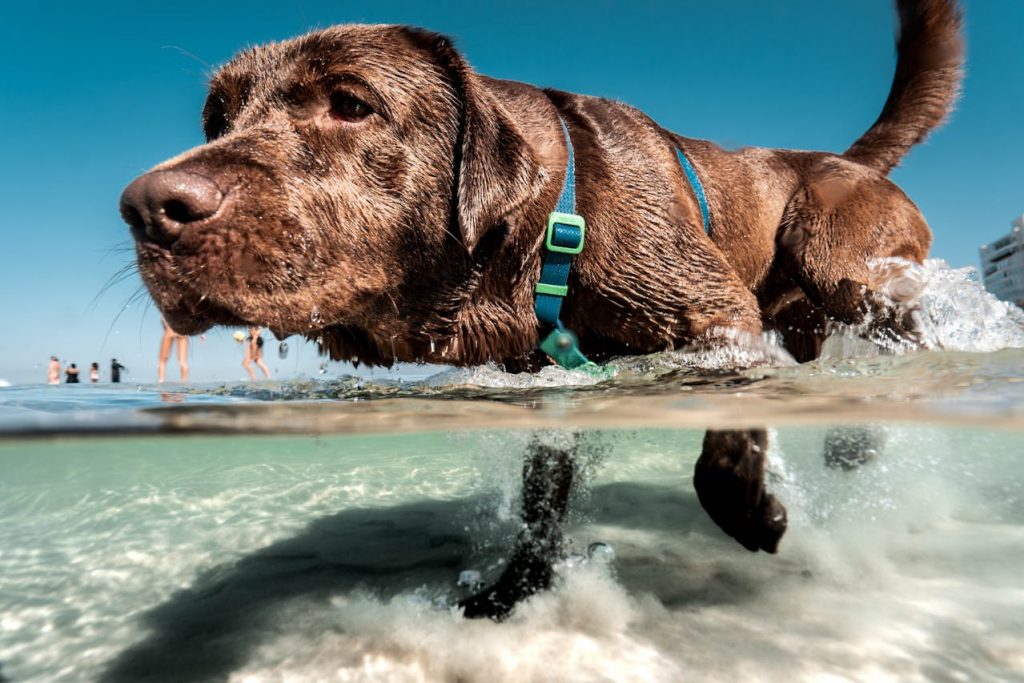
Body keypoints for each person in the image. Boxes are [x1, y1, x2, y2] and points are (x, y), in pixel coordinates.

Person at [157, 317, 192, 383]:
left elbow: (163, 319)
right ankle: (184, 382)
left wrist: (165, 327)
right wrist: (201, 333)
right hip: (182, 331)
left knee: (162, 361)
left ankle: (161, 381)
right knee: (183, 361)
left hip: (170, 329)